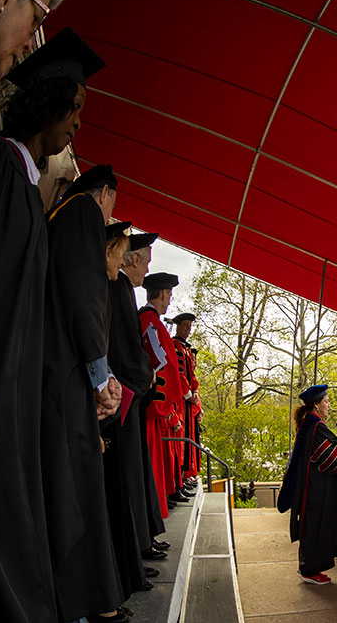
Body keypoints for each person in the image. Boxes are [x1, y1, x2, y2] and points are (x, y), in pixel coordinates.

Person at [0, 26, 100, 623]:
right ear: (48, 100)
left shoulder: (21, 182)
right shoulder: (1, 174)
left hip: (10, 399)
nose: (77, 124)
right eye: (74, 108)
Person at [43, 161, 128, 621]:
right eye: (114, 202)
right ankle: (81, 605)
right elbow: (83, 295)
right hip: (67, 375)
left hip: (59, 370)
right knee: (74, 489)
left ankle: (88, 600)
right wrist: (100, 376)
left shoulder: (60, 216)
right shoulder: (79, 214)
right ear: (103, 195)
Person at [112, 232, 168, 563]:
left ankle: (142, 544)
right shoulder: (118, 289)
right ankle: (135, 550)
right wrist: (146, 379)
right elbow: (125, 349)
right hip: (126, 393)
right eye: (145, 261)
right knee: (130, 477)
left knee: (140, 474)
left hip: (133, 391)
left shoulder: (123, 293)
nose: (146, 270)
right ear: (132, 259)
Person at [278, 385, 337, 585]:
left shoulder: (309, 424)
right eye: (326, 401)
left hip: (311, 484)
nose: (329, 405)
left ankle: (310, 568)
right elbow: (331, 458)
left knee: (314, 526)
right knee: (315, 527)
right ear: (316, 405)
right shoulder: (316, 426)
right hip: (315, 487)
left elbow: (327, 447)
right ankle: (309, 570)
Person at [138, 272, 186, 518]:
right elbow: (159, 365)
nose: (170, 300)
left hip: (159, 409)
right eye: (169, 295)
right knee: (152, 469)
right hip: (153, 410)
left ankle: (153, 524)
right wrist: (166, 409)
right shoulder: (149, 320)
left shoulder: (154, 321)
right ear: (164, 293)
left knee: (157, 469)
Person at [171, 312, 200, 499]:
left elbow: (192, 376)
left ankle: (182, 479)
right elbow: (177, 373)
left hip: (188, 402)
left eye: (190, 326)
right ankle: (177, 482)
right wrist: (188, 394)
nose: (188, 330)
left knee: (188, 439)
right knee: (180, 441)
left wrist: (195, 391)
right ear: (178, 326)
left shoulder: (187, 350)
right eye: (185, 326)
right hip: (181, 401)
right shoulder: (174, 346)